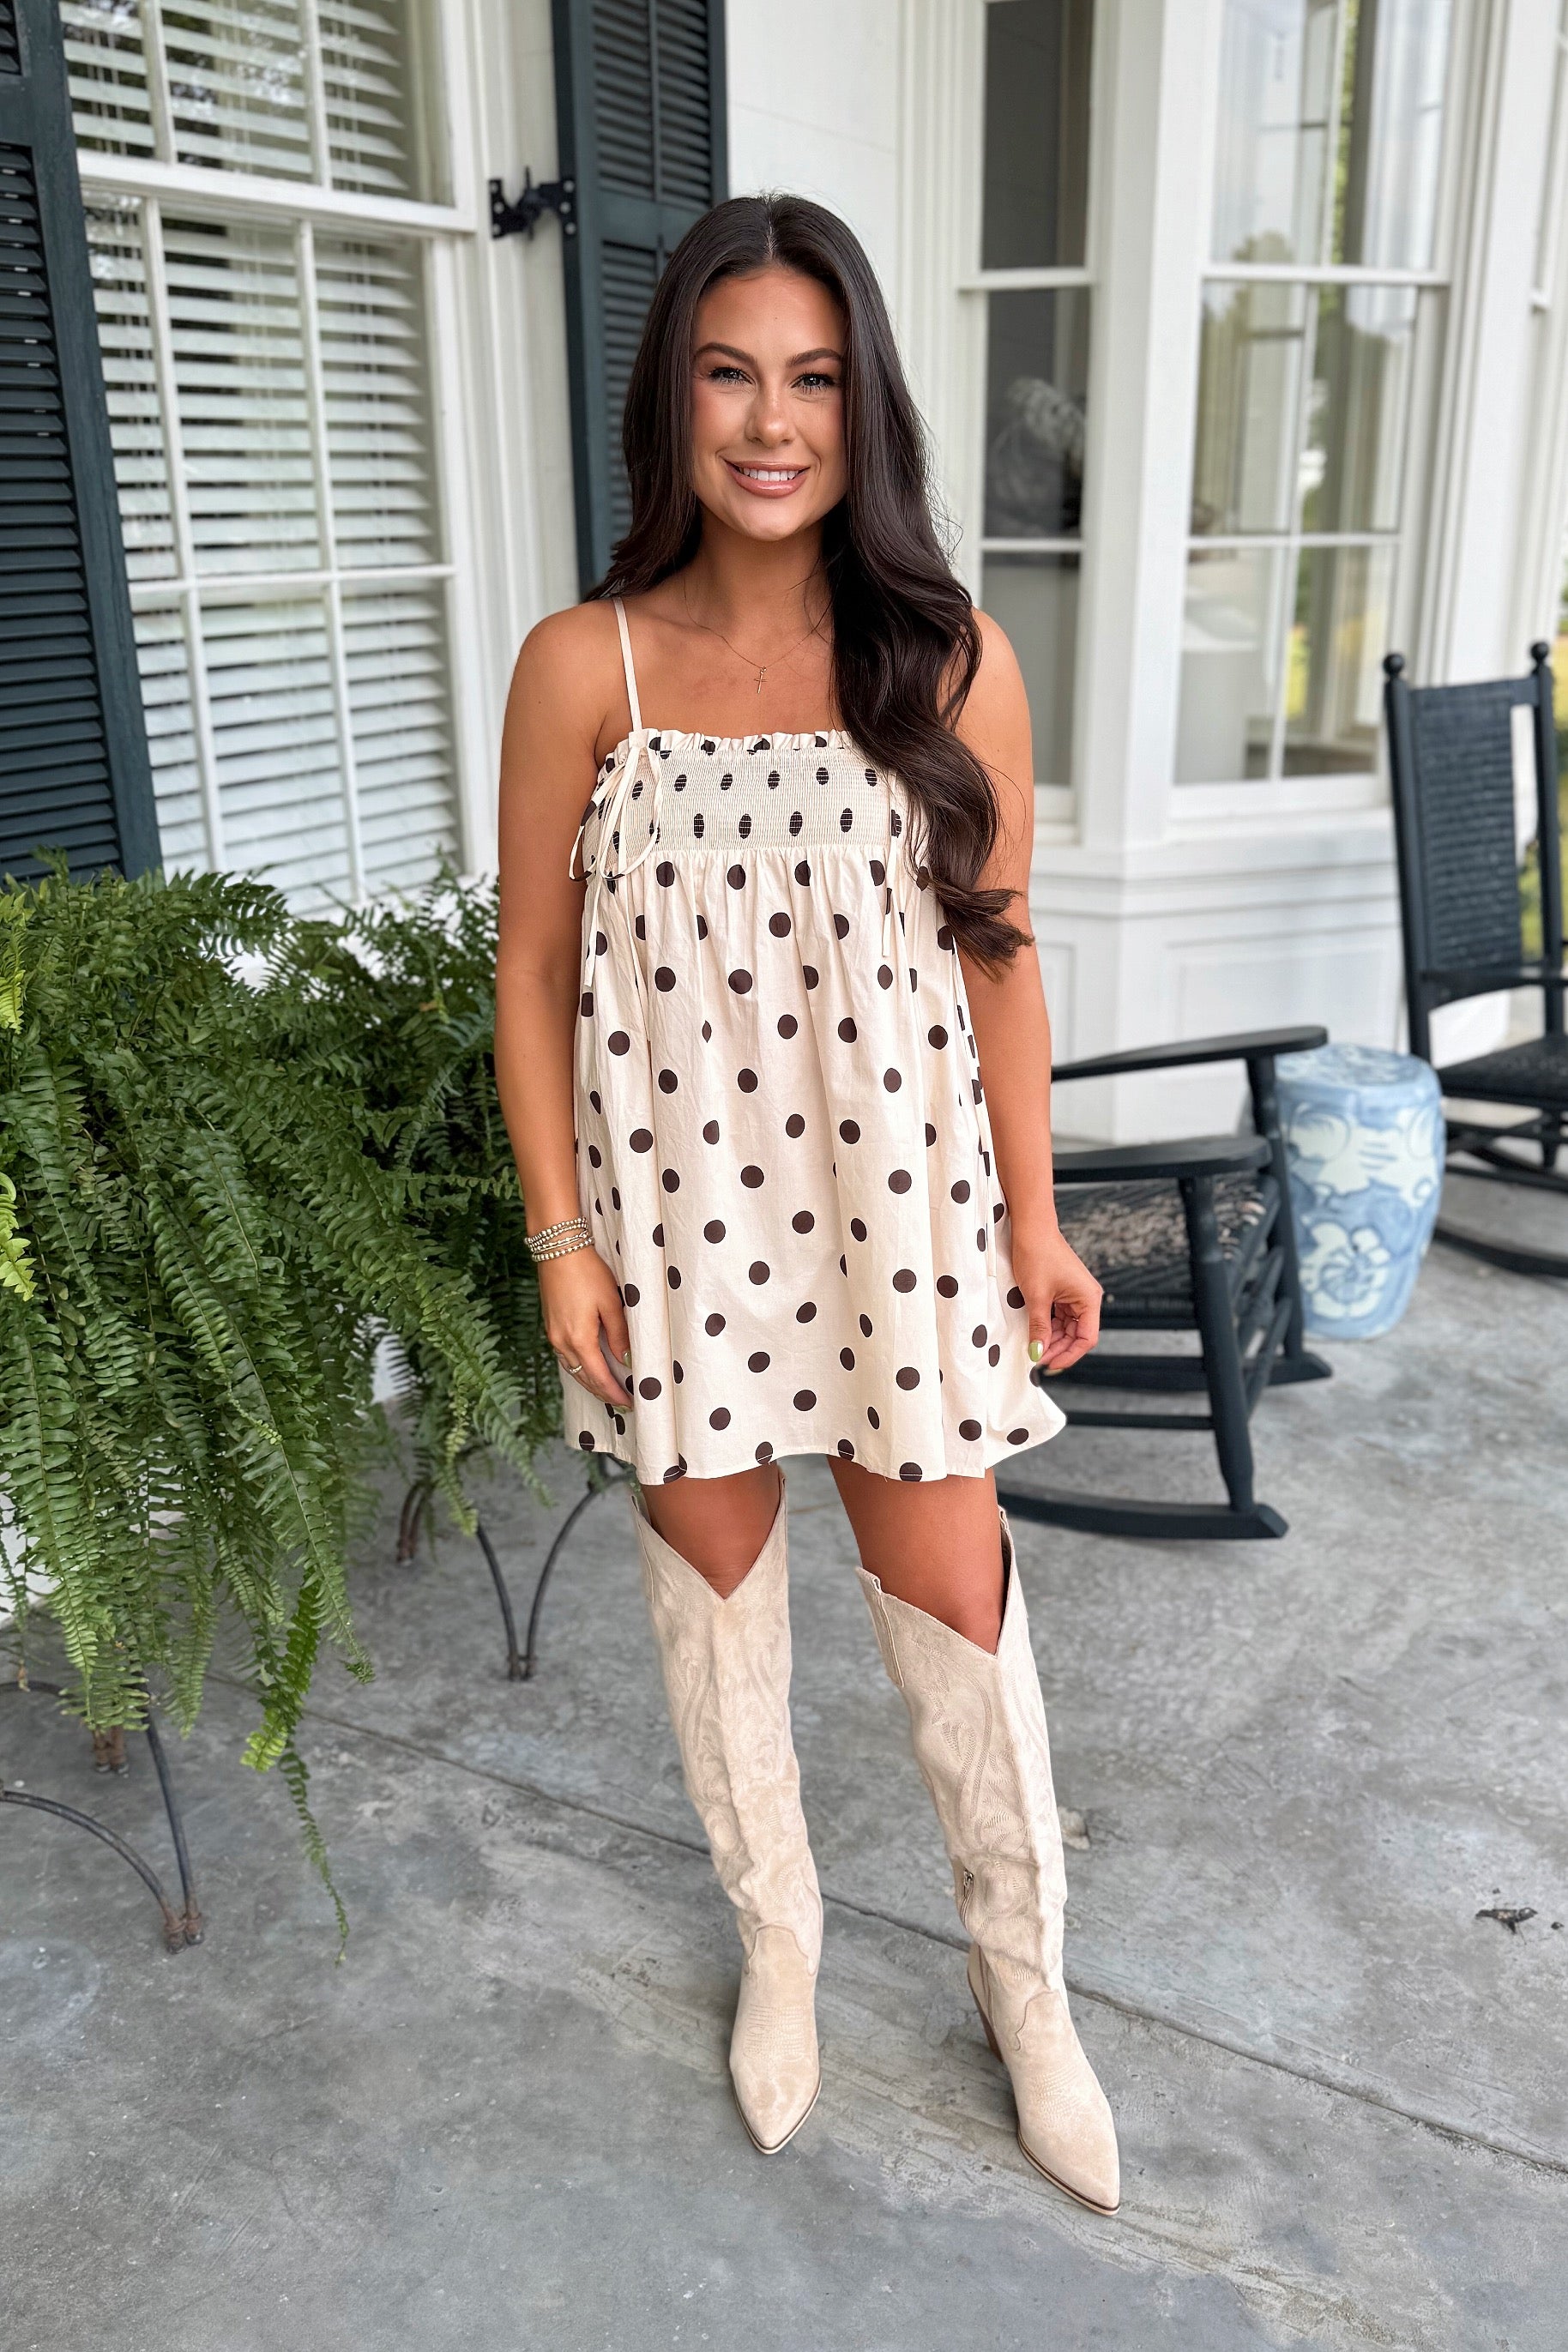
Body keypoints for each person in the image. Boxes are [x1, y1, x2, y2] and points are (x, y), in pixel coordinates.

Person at [494, 194, 1117, 2214]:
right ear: (670, 397)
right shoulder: (582, 667)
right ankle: (782, 1941)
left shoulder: (946, 657)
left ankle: (1025, 1988)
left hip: (900, 1223)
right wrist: (560, 1240)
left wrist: (1032, 1220)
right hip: (675, 1233)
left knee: (954, 1598)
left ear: (866, 408)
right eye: (730, 374)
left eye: (816, 379)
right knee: (713, 1610)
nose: (772, 425)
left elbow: (997, 958)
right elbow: (528, 971)